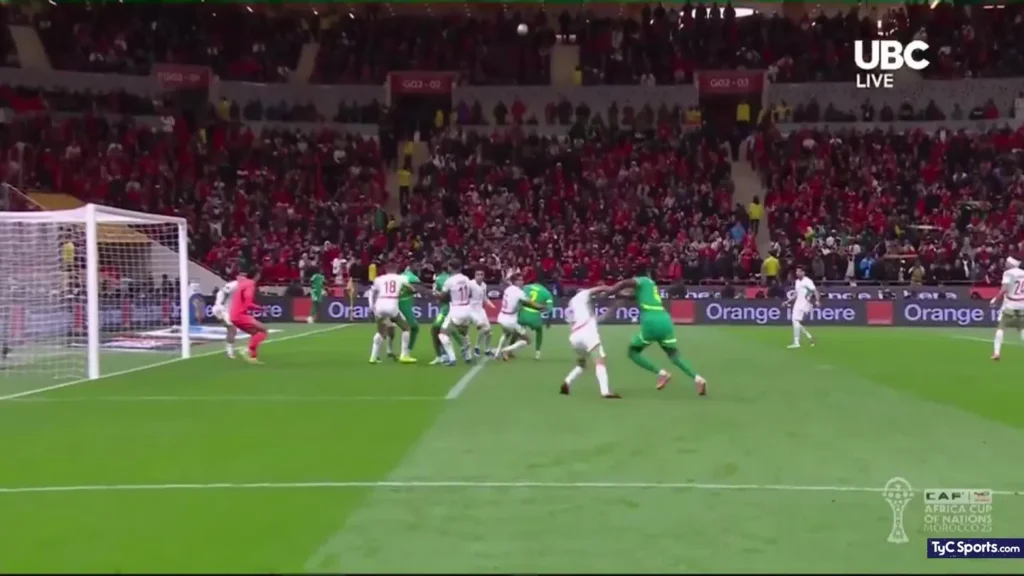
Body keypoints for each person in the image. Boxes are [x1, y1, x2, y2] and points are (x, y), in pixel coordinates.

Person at [607, 269, 707, 395]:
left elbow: (623, 284)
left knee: (632, 352)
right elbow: (630, 296)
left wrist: (610, 290)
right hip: (665, 319)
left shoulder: (643, 280)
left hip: (652, 322)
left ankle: (661, 373)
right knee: (674, 355)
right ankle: (698, 379)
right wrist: (614, 293)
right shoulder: (650, 286)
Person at [561, 286, 619, 399]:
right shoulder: (581, 296)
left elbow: (599, 318)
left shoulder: (572, 307)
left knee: (581, 364)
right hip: (587, 334)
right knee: (600, 361)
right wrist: (613, 289)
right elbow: (598, 289)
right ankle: (605, 391)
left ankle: (567, 381)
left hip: (575, 337)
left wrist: (614, 306)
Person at [368, 262, 419, 364]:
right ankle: (404, 355)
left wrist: (371, 307)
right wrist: (414, 290)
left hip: (380, 305)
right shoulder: (401, 278)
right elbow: (411, 288)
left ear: (386, 270)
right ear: (396, 269)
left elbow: (372, 292)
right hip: (392, 305)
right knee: (406, 328)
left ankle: (373, 357)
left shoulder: (379, 279)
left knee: (381, 332)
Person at [494, 272, 545, 359]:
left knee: (506, 334)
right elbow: (530, 302)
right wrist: (541, 306)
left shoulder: (508, 289)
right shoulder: (519, 292)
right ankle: (505, 350)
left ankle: (497, 353)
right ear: (515, 281)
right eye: (520, 280)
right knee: (527, 340)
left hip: (501, 317)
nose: (522, 282)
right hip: (510, 320)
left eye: (522, 280)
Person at [438, 260, 474, 366]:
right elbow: (470, 293)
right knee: (464, 333)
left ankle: (452, 358)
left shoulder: (449, 281)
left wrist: (436, 293)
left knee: (442, 334)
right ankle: (468, 356)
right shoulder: (466, 279)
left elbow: (443, 297)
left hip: (456, 310)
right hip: (467, 309)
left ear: (450, 267)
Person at [430, 264, 468, 365]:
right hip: (460, 308)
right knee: (452, 329)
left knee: (436, 328)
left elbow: (444, 296)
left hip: (447, 309)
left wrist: (435, 293)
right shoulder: (463, 278)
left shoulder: (442, 279)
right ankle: (461, 349)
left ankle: (442, 356)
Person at [229, 270, 269, 364]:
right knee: (263, 329)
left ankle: (253, 357)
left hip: (234, 315)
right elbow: (248, 304)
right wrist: (260, 308)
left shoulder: (242, 283)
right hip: (240, 315)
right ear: (257, 276)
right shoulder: (250, 284)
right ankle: (247, 349)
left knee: (255, 333)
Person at [990, 256, 1024, 360]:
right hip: (1022, 304)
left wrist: (995, 299)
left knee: (1001, 326)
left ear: (1011, 264)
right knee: (1022, 328)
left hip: (1011, 304)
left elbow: (1004, 289)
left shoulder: (1008, 273)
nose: (1005, 264)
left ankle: (996, 353)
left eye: (1007, 262)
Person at [517, 282, 554, 360]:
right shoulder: (547, 293)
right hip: (535, 316)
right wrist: (548, 322)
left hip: (523, 314)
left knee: (516, 330)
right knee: (539, 331)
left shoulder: (526, 287)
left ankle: (509, 349)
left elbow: (518, 299)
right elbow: (550, 309)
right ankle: (537, 353)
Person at [784, 266, 818, 349]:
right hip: (798, 303)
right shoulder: (797, 282)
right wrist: (788, 301)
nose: (797, 273)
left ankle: (797, 342)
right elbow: (796, 294)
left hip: (805, 304)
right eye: (796, 271)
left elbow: (815, 291)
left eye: (799, 271)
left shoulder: (807, 281)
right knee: (795, 321)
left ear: (803, 272)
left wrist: (817, 300)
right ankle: (809, 337)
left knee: (795, 320)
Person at [469, 269, 496, 357]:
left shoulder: (484, 285)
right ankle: (476, 348)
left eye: (481, 274)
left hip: (480, 310)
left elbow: (484, 298)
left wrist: (491, 304)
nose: (480, 276)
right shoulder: (470, 284)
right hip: (472, 310)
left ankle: (487, 350)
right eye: (478, 274)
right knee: (484, 328)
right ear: (475, 276)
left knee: (489, 331)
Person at [398, 264, 422, 354]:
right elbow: (416, 289)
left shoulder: (399, 276)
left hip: (392, 304)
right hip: (404, 305)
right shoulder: (413, 278)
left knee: (387, 328)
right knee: (413, 327)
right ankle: (406, 352)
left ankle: (388, 350)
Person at [212, 279, 239, 358]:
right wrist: (221, 305)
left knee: (231, 329)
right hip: (222, 310)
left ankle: (229, 349)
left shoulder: (237, 287)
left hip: (224, 310)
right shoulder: (234, 285)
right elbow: (224, 291)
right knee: (232, 329)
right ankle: (229, 351)